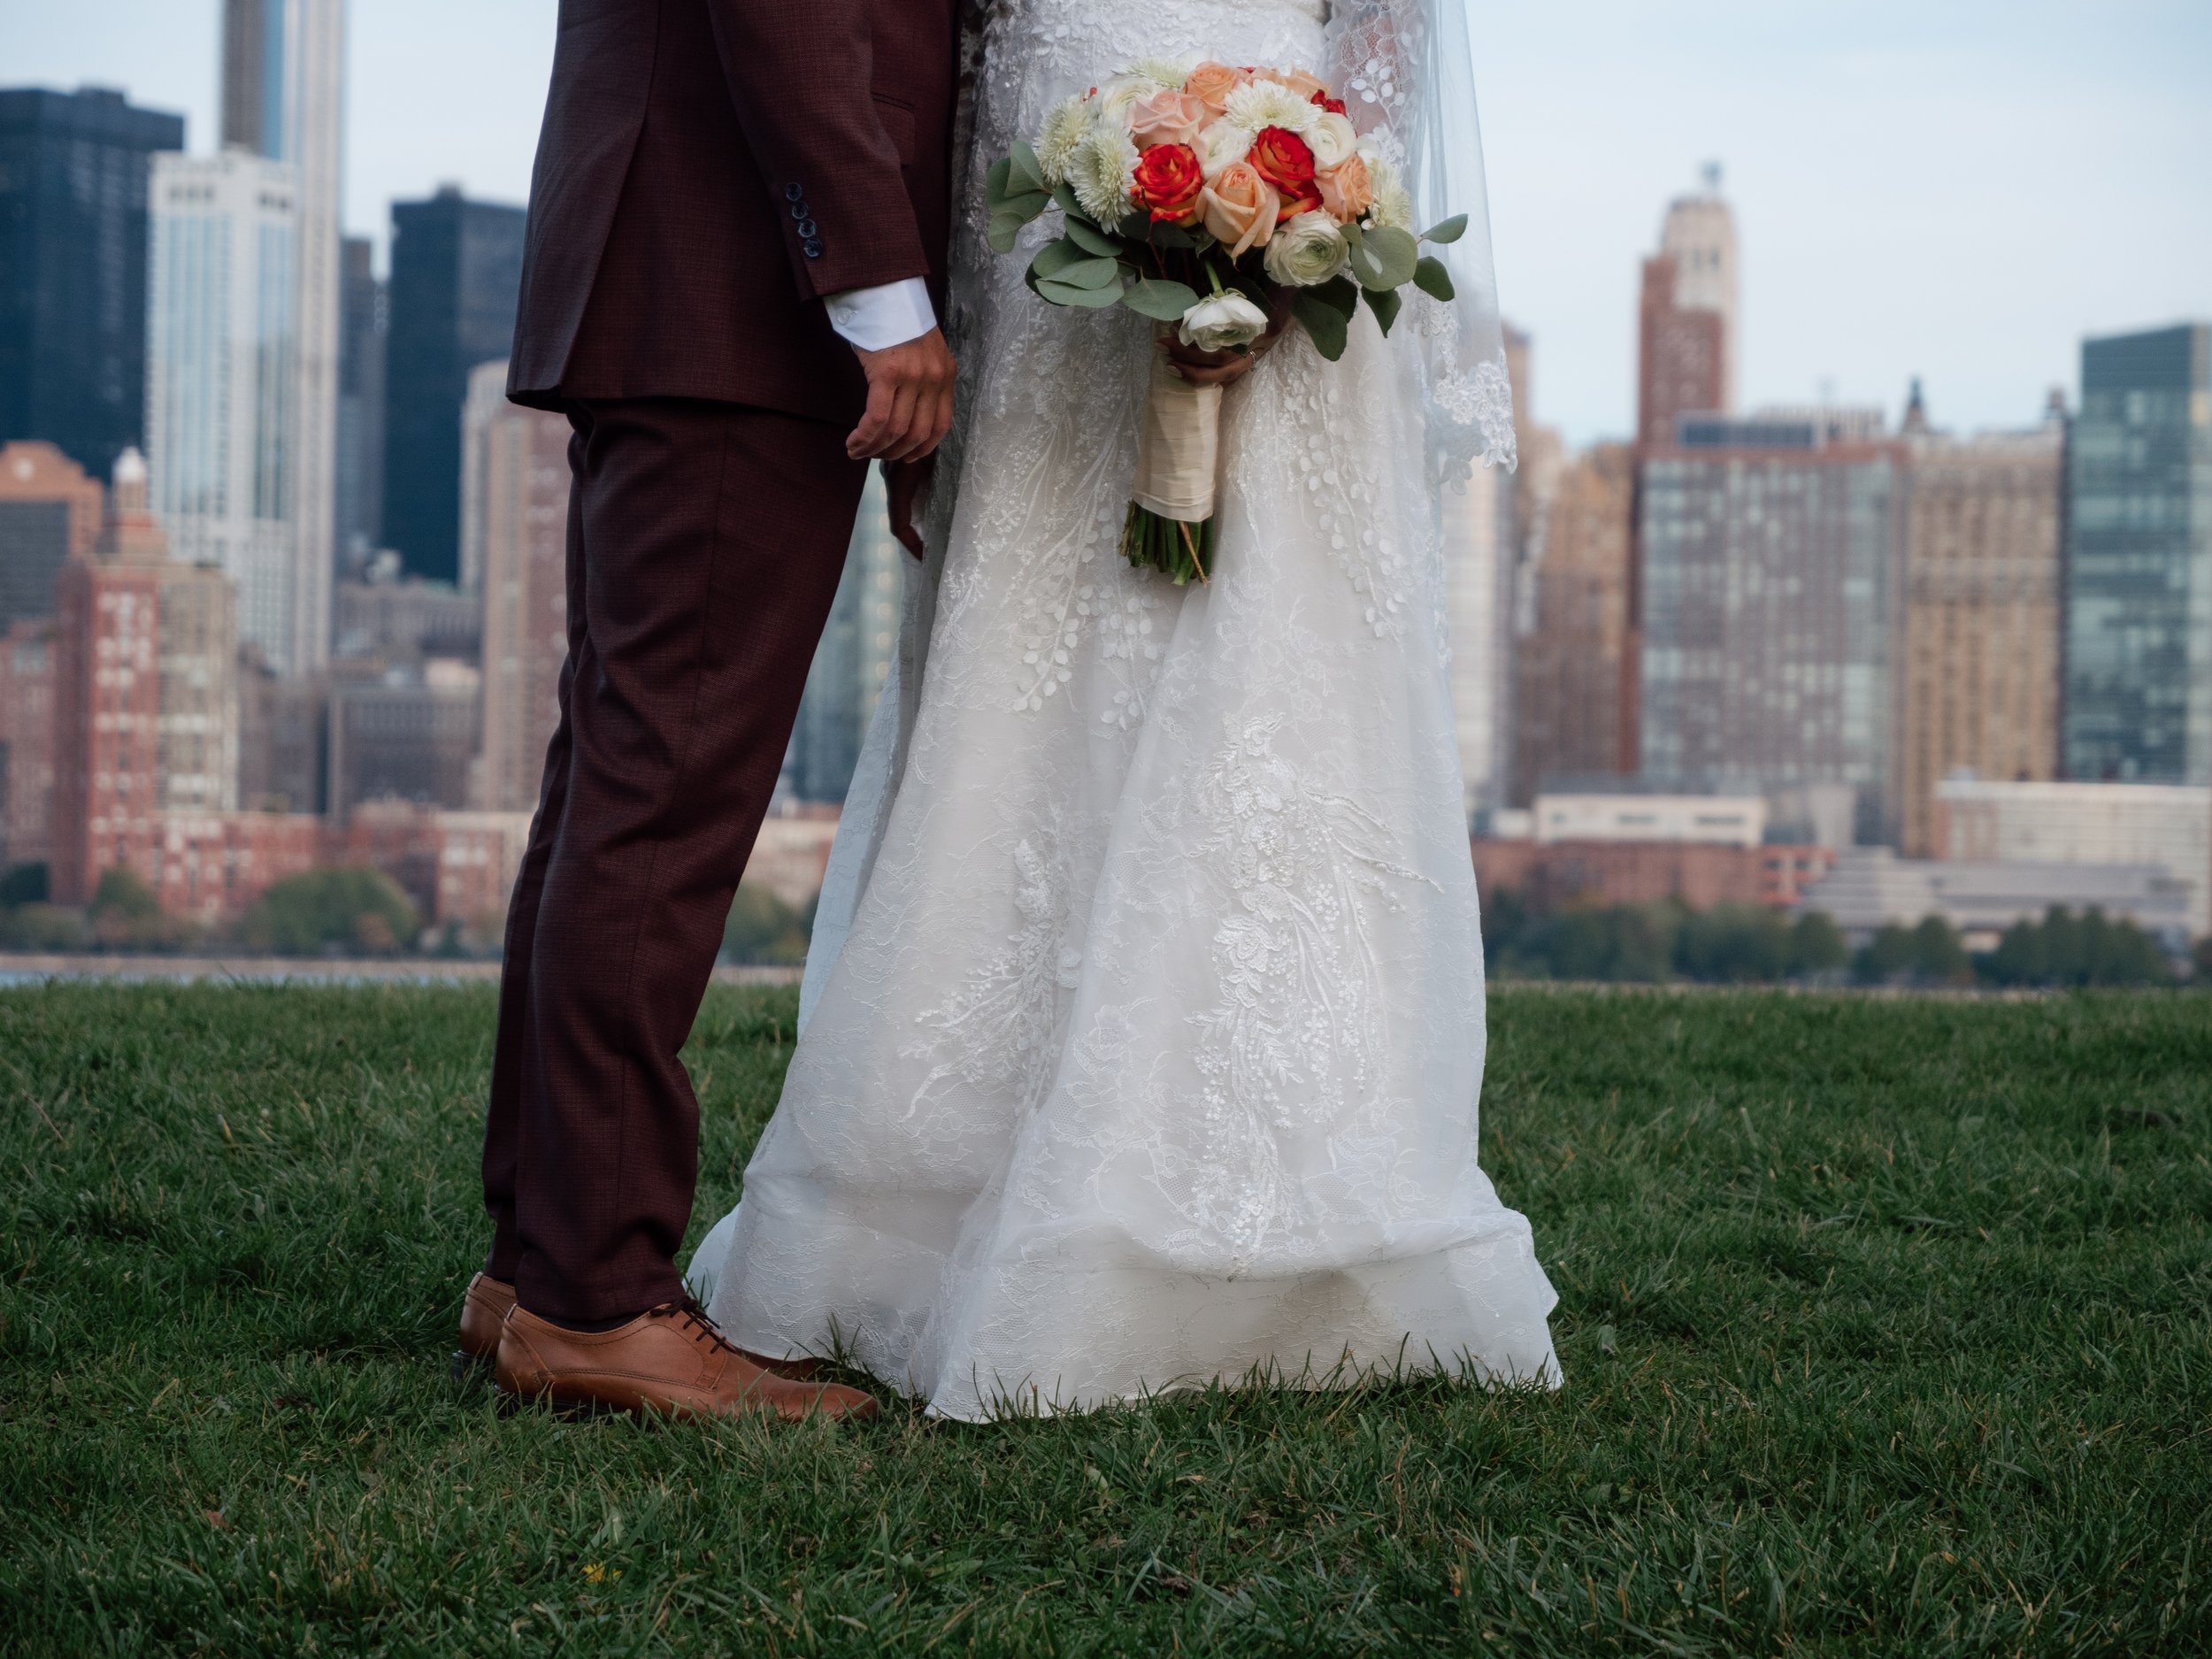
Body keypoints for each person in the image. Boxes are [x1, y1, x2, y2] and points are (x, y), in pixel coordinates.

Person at [688, 0, 1562, 1419]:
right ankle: (933, 1199)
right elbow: (949, 75)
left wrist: (1298, 232)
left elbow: (1389, 65)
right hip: (1039, 268)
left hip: (1290, 275)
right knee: (1022, 712)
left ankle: (1288, 1214)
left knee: (1262, 690)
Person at [455, 0, 962, 1422]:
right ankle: (597, 1303)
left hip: (698, 279)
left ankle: (536, 1267)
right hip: (736, 281)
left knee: (613, 789)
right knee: (657, 801)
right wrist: (880, 291)